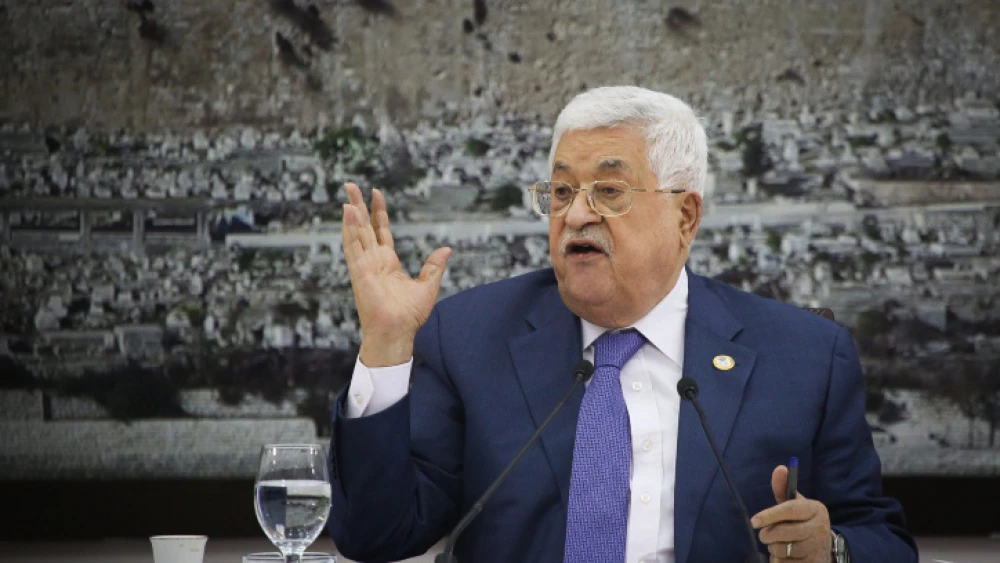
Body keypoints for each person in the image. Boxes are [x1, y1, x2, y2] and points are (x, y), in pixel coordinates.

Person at [327, 86, 918, 563]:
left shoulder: (806, 356)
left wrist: (831, 551)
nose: (577, 213)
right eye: (561, 191)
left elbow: (881, 540)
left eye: (608, 191)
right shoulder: (469, 336)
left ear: (685, 215)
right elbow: (376, 537)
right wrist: (384, 345)